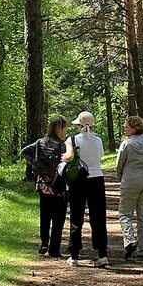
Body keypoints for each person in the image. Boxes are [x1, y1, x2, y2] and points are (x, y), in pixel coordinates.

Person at [63, 111, 109, 267]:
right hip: (97, 179)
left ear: (79, 125)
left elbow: (69, 157)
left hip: (78, 180)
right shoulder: (98, 140)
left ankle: (74, 255)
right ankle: (102, 254)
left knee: (76, 216)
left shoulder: (72, 139)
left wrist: (64, 158)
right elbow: (99, 157)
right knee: (98, 218)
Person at [21, 117, 70, 258]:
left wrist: (37, 166)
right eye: (65, 128)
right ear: (60, 129)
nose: (66, 131)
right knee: (59, 217)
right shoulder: (64, 145)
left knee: (45, 215)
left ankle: (44, 243)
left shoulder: (40, 142)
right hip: (59, 184)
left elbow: (25, 151)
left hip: (43, 183)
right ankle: (54, 249)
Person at [115, 116, 143, 259]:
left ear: (134, 128)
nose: (125, 128)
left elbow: (119, 164)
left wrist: (121, 177)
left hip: (130, 182)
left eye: (127, 126)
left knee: (125, 213)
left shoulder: (126, 144)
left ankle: (130, 240)